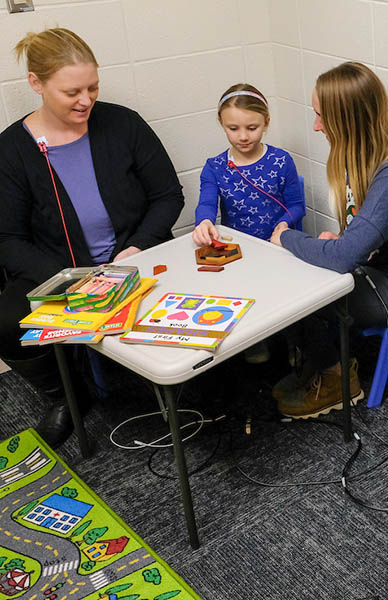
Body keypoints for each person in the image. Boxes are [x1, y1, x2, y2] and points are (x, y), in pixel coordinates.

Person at [0, 28, 184, 447]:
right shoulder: (11, 150)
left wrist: (135, 249)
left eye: (93, 87)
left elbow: (167, 195)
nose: (86, 100)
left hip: (138, 258)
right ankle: (69, 396)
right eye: (72, 92)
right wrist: (70, 278)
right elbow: (7, 239)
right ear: (36, 84)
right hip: (60, 271)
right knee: (5, 322)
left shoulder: (123, 124)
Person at [270, 62, 388, 419]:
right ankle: (323, 363)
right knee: (295, 276)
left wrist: (287, 238)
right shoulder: (360, 154)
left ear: (348, 119)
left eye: (321, 116)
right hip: (374, 267)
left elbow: (344, 257)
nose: (316, 125)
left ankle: (337, 379)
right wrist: (344, 238)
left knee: (299, 295)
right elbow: (358, 237)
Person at [192, 83, 305, 245]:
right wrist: (204, 222)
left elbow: (296, 206)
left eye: (252, 128)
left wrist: (284, 223)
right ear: (221, 122)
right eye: (233, 128)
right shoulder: (214, 167)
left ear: (266, 122)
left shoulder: (281, 160)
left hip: (277, 245)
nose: (243, 136)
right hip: (239, 248)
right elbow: (206, 204)